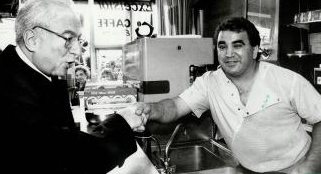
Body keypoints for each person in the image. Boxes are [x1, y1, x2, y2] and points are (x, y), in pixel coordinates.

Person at [135, 17, 321, 174]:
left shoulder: (287, 80)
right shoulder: (209, 83)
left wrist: (310, 167)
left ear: (255, 50)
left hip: (297, 168)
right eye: (222, 46)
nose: (229, 54)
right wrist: (151, 109)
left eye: (238, 45)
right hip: (249, 170)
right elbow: (175, 107)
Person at [0, 0, 145, 174]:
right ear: (32, 39)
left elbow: (67, 141)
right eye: (68, 39)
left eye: (78, 40)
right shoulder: (4, 87)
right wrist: (124, 122)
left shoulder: (47, 75)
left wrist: (120, 122)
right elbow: (70, 160)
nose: (77, 51)